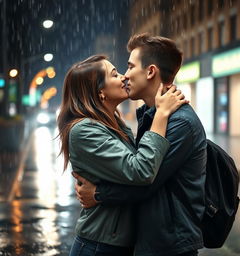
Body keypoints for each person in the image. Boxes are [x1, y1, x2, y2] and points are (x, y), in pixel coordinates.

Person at [74, 33, 207, 256]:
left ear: (150, 71)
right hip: (153, 239)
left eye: (129, 67)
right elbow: (133, 167)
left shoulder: (179, 122)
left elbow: (145, 181)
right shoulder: (153, 116)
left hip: (170, 245)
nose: (125, 76)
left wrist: (98, 193)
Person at [57, 54, 187, 256]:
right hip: (99, 247)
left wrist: (98, 194)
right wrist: (161, 114)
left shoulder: (114, 125)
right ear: (100, 91)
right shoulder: (83, 131)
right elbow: (141, 171)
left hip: (117, 243)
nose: (124, 77)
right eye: (115, 74)